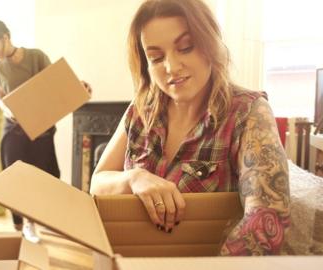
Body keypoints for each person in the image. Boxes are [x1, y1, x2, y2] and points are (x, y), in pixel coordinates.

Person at [90, 0, 290, 256]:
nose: (171, 68)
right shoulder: (140, 111)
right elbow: (97, 183)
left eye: (185, 48)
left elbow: (265, 224)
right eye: (156, 57)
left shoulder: (248, 113)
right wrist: (134, 178)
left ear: (210, 44)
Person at [0, 13, 91, 240]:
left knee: (47, 176)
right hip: (14, 131)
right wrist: (11, 111)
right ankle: (24, 226)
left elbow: (54, 84)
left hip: (41, 129)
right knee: (16, 178)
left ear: (6, 37)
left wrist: (77, 88)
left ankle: (49, 221)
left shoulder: (36, 57)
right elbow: (2, 100)